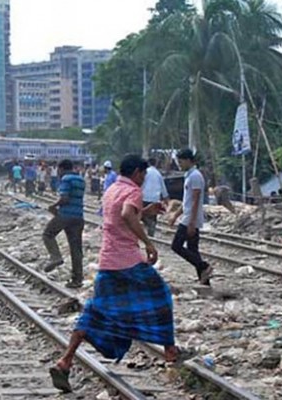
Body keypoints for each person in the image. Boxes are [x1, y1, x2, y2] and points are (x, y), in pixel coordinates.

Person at [49, 154, 185, 393]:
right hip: (129, 262)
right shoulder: (132, 190)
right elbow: (125, 214)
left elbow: (120, 215)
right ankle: (170, 351)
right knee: (161, 296)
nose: (143, 180)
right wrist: (148, 243)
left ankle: (65, 361)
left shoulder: (112, 188)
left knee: (95, 310)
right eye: (143, 175)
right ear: (136, 173)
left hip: (108, 263)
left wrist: (144, 211)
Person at [169, 149, 212, 286]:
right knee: (193, 249)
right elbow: (186, 200)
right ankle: (205, 281)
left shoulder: (195, 176)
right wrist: (175, 215)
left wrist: (192, 222)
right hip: (188, 216)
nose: (179, 164)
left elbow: (195, 199)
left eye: (180, 161)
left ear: (188, 160)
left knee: (176, 246)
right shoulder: (189, 175)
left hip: (190, 218)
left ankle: (204, 266)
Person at [42, 160, 86, 289]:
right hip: (79, 217)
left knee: (48, 234)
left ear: (61, 169)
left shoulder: (66, 179)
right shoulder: (81, 179)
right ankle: (77, 279)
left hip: (66, 214)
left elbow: (65, 198)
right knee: (76, 248)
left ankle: (55, 257)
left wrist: (53, 206)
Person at [141, 158, 169, 237]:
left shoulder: (145, 173)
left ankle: (148, 224)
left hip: (145, 197)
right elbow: (163, 187)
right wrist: (166, 198)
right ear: (155, 163)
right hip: (155, 199)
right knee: (153, 217)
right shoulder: (158, 174)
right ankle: (151, 234)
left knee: (142, 214)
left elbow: (141, 183)